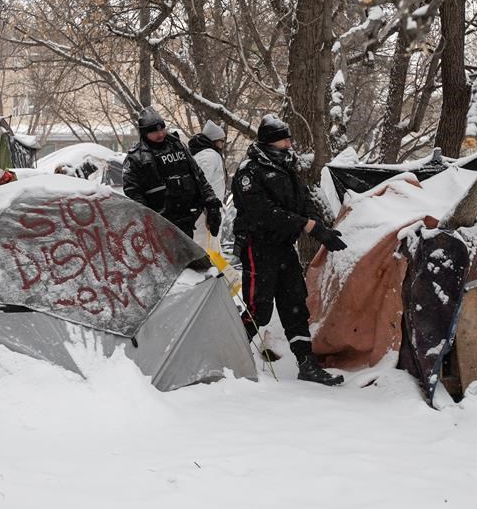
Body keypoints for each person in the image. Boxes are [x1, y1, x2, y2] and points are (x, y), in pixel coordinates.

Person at [231, 114, 348, 386]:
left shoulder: (286, 167)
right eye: (284, 139)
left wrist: (318, 226)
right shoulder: (250, 172)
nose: (289, 143)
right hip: (258, 247)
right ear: (270, 142)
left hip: (284, 247)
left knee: (295, 305)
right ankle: (227, 356)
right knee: (258, 309)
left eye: (288, 139)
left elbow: (303, 200)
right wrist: (307, 226)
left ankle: (307, 363)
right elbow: (264, 213)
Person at [122, 106, 221, 238]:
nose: (160, 134)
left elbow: (198, 176)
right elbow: (132, 192)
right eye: (154, 131)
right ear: (144, 133)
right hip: (159, 225)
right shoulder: (136, 158)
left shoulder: (178, 146)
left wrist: (212, 204)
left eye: (162, 129)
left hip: (187, 219)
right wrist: (147, 218)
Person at [189, 120, 227, 247]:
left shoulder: (204, 154)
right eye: (221, 141)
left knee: (207, 243)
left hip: (207, 209)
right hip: (206, 212)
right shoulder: (210, 156)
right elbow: (202, 183)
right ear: (215, 140)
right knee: (205, 244)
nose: (222, 144)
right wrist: (211, 208)